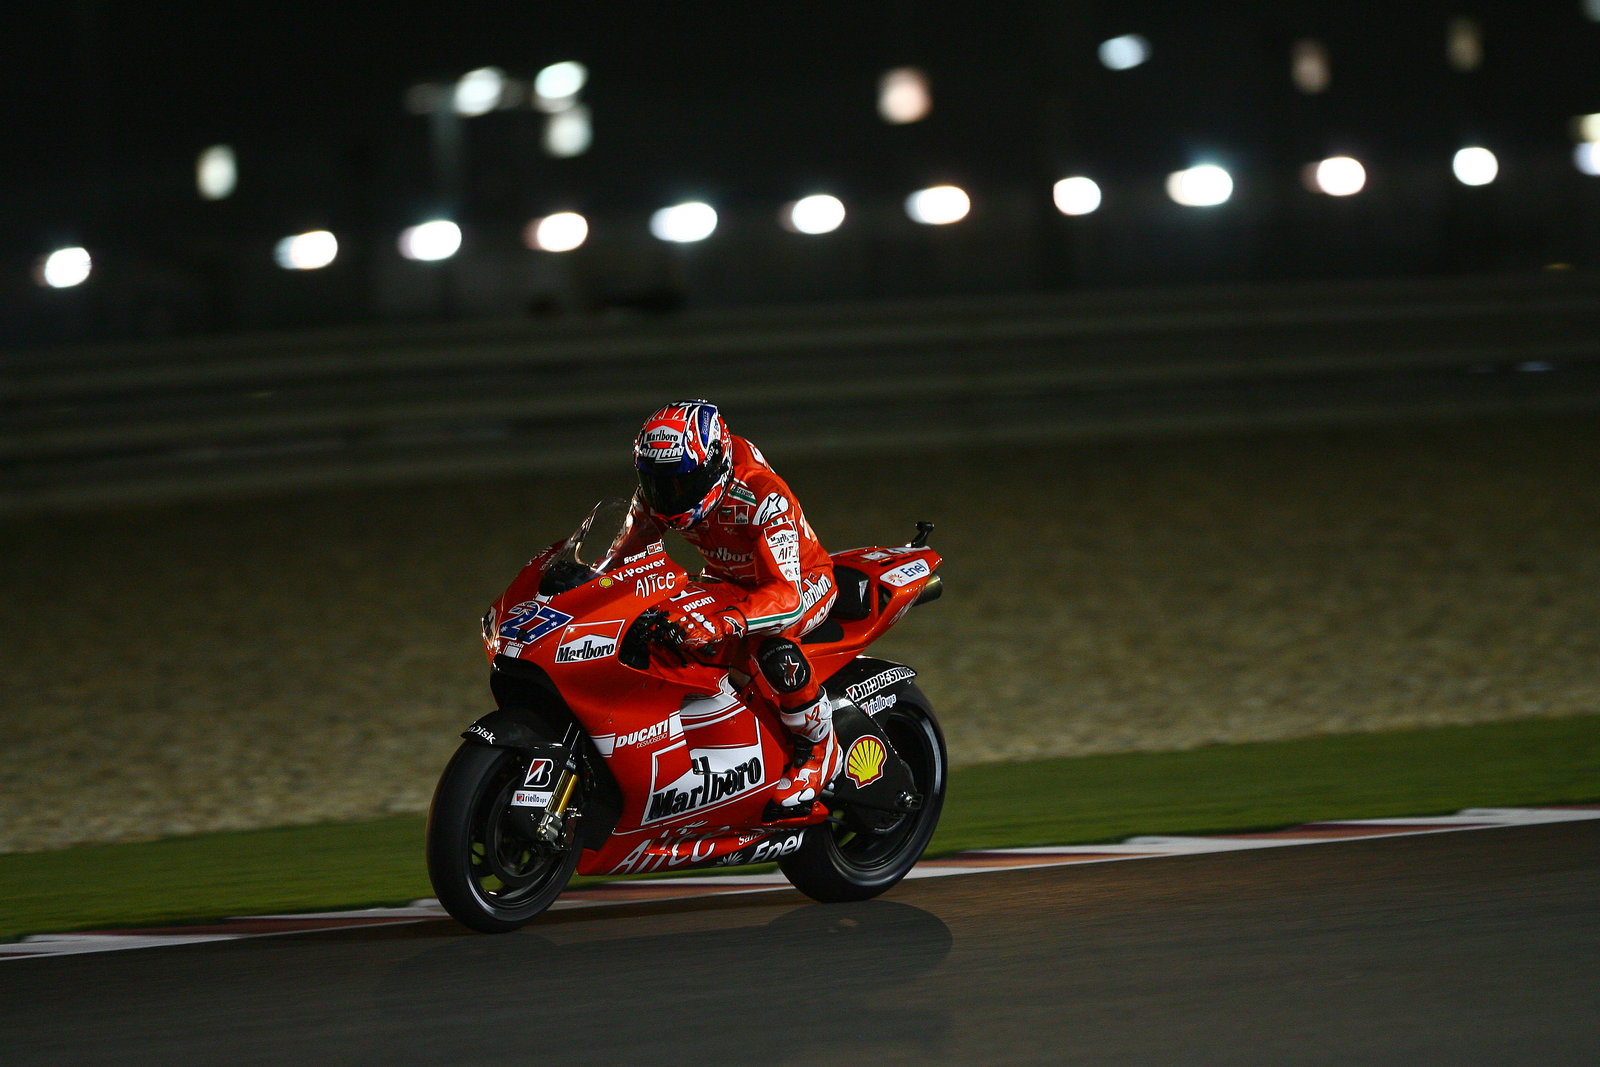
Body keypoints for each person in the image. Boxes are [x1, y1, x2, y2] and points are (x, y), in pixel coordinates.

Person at [622, 399, 840, 812]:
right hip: (726, 582)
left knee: (772, 648)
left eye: (681, 484)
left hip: (800, 582)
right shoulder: (658, 493)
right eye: (657, 483)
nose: (668, 497)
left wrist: (727, 622)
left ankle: (818, 750)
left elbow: (786, 595)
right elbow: (625, 557)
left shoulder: (761, 495)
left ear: (713, 468)